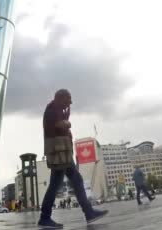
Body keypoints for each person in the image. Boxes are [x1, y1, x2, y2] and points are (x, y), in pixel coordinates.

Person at [38, 89, 108, 228]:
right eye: (68, 99)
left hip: (63, 153)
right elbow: (59, 125)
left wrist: (66, 116)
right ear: (61, 98)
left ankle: (89, 213)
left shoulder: (57, 109)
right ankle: (45, 218)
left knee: (76, 180)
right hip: (60, 154)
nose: (70, 102)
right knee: (55, 185)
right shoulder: (53, 108)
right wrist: (67, 122)